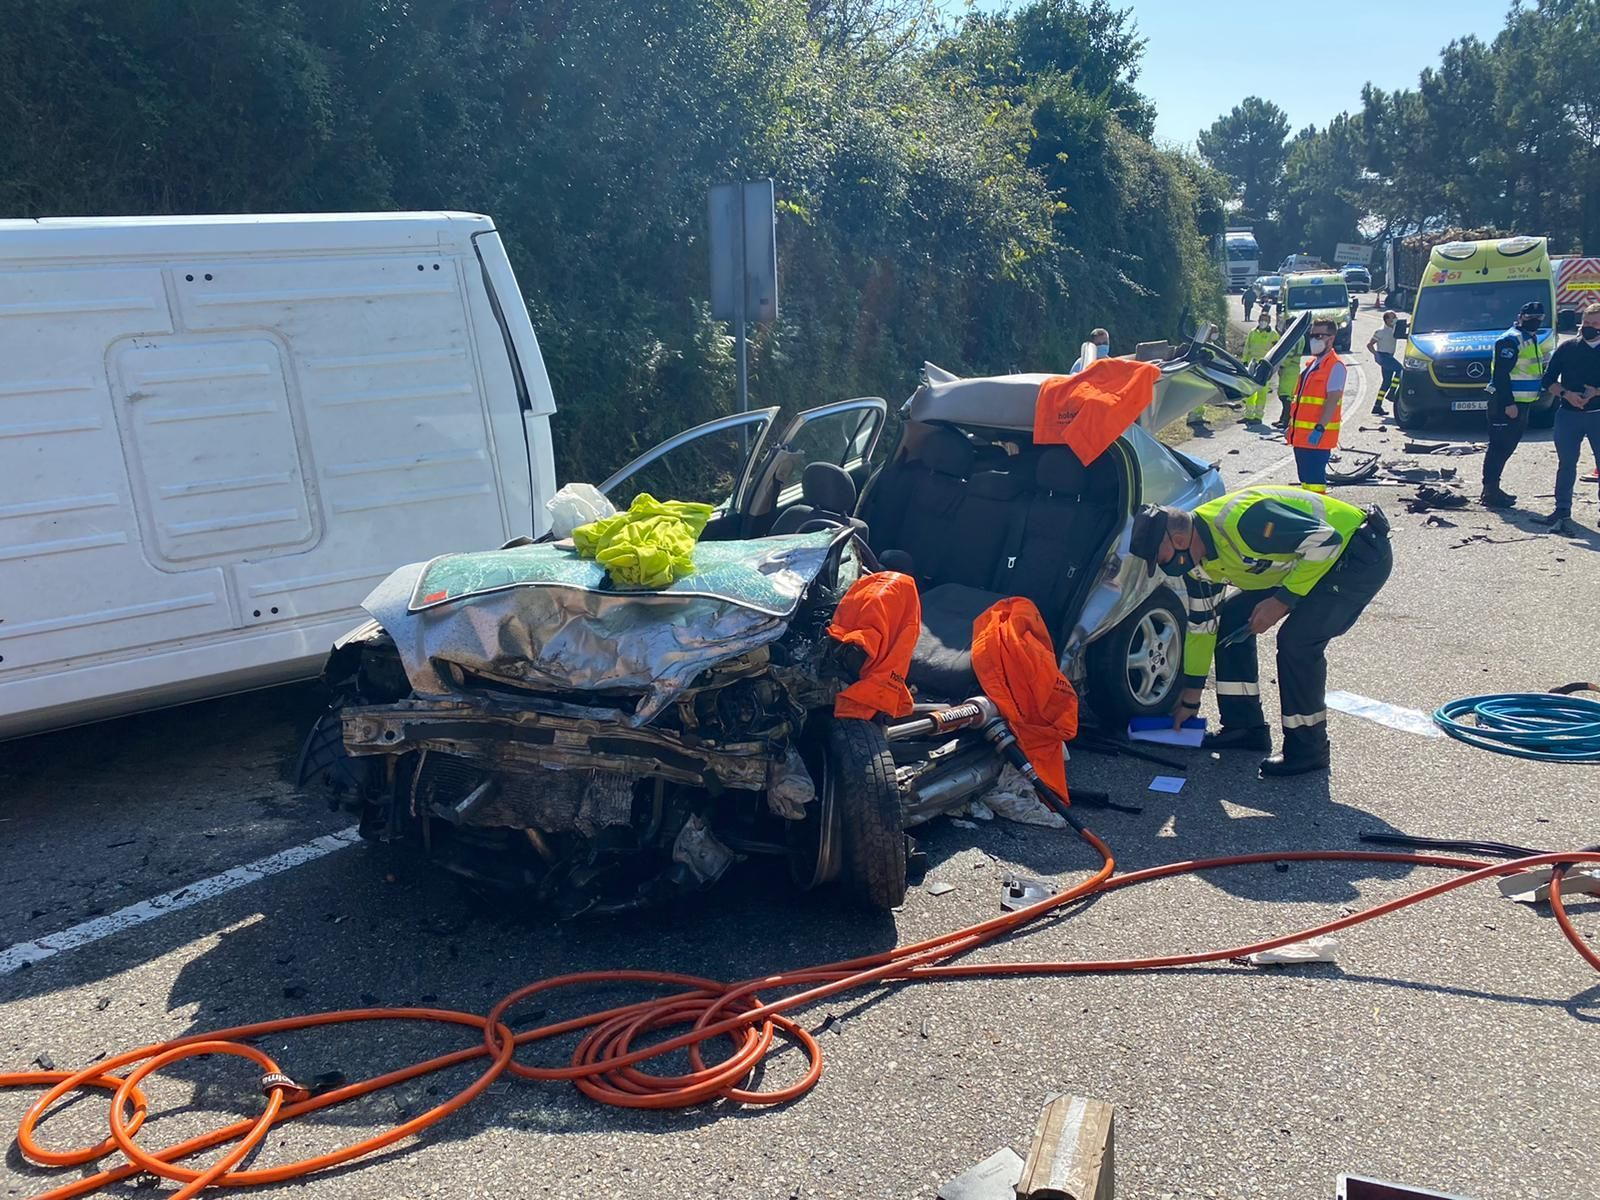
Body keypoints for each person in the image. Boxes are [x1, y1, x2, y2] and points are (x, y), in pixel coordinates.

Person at [1129, 487, 1393, 776]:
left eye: (1161, 557)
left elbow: (1326, 540)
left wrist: (1281, 602)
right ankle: (1244, 726)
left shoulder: (1244, 522)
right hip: (1308, 563)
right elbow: (1203, 628)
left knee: (1297, 642)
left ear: (1178, 539)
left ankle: (1308, 749)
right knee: (1229, 619)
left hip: (1356, 553)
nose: (1164, 567)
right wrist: (1191, 698)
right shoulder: (1197, 563)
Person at [1534, 301, 1600, 535]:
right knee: (1566, 464)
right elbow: (1548, 380)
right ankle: (1562, 509)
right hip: (1568, 415)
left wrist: (1596, 392)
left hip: (1597, 415)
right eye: (1586, 323)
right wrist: (1566, 394)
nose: (1589, 327)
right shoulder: (1567, 348)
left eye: (1594, 324)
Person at [1481, 301, 1550, 509]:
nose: (1535, 322)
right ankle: (1490, 491)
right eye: (1530, 318)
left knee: (1506, 448)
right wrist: (1508, 404)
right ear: (1520, 317)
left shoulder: (1530, 338)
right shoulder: (1510, 340)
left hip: (1522, 403)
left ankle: (1493, 489)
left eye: (1539, 318)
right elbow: (1501, 374)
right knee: (1499, 448)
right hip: (1507, 404)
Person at [1285, 318, 1344, 493]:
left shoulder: (1335, 366)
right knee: (1305, 483)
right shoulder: (1312, 364)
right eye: (1312, 335)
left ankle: (1319, 517)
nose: (1314, 339)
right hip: (1301, 437)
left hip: (1317, 439)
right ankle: (1310, 514)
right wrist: (1291, 426)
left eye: (1319, 335)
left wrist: (1319, 429)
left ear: (1331, 338)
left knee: (1315, 484)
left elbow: (1332, 401)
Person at [1241, 311, 1277, 423]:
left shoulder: (1274, 335)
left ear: (1269, 321)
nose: (1263, 322)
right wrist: (1244, 362)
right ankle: (1248, 415)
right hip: (1252, 364)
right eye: (1261, 319)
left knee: (1262, 392)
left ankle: (1258, 416)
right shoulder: (1252, 332)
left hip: (1265, 366)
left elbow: (1276, 351)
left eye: (1265, 320)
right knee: (1249, 391)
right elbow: (1247, 348)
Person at [1367, 310, 1401, 417]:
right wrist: (1375, 354)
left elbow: (1406, 327)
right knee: (1400, 370)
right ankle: (1392, 392)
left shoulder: (1394, 329)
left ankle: (1377, 406)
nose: (1395, 318)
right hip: (1384, 356)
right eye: (1393, 317)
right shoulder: (1381, 331)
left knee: (1386, 382)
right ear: (1387, 320)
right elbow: (1369, 345)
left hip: (1389, 356)